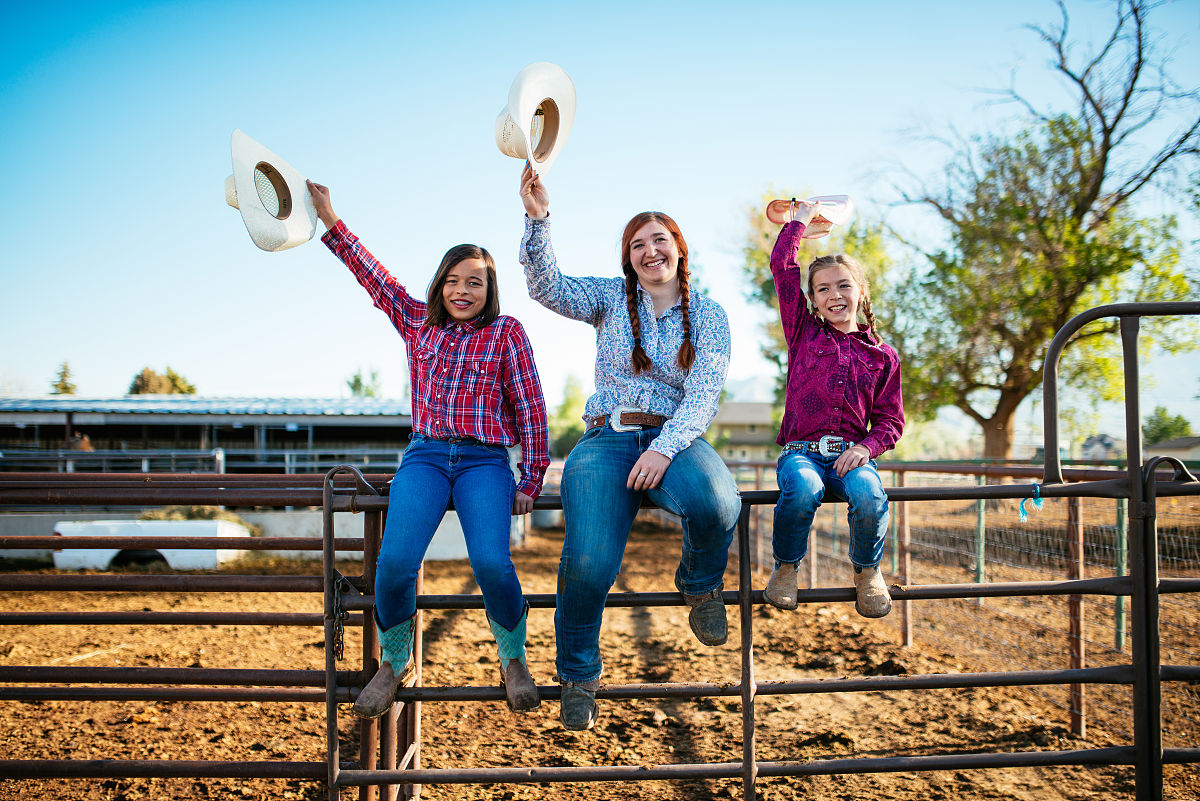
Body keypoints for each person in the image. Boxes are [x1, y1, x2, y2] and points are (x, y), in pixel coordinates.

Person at [307, 180, 550, 717]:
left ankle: (513, 659)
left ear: (491, 290)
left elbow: (531, 407)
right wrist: (330, 220)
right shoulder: (418, 323)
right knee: (393, 563)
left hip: (485, 462)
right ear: (440, 284)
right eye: (454, 281)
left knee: (491, 561)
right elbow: (374, 278)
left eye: (476, 283)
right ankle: (396, 661)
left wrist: (530, 480)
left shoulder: (507, 332)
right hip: (425, 457)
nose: (463, 291)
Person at [518, 163, 741, 731]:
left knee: (719, 503)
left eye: (659, 240)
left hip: (679, 437)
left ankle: (698, 582)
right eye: (637, 245)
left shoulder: (710, 316)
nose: (649, 251)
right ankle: (578, 674)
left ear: (679, 250)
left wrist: (664, 449)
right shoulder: (610, 299)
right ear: (628, 258)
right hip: (607, 439)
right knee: (589, 562)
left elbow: (703, 394)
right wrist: (538, 217)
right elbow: (547, 287)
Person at [764, 201, 904, 618]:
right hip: (801, 453)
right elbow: (781, 264)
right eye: (822, 289)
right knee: (803, 489)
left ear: (861, 290)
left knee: (869, 493)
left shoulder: (882, 356)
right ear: (812, 300)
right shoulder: (803, 331)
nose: (834, 295)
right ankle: (786, 569)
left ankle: (867, 572)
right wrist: (800, 221)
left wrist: (866, 448)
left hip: (850, 455)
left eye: (843, 285)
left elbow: (890, 420)